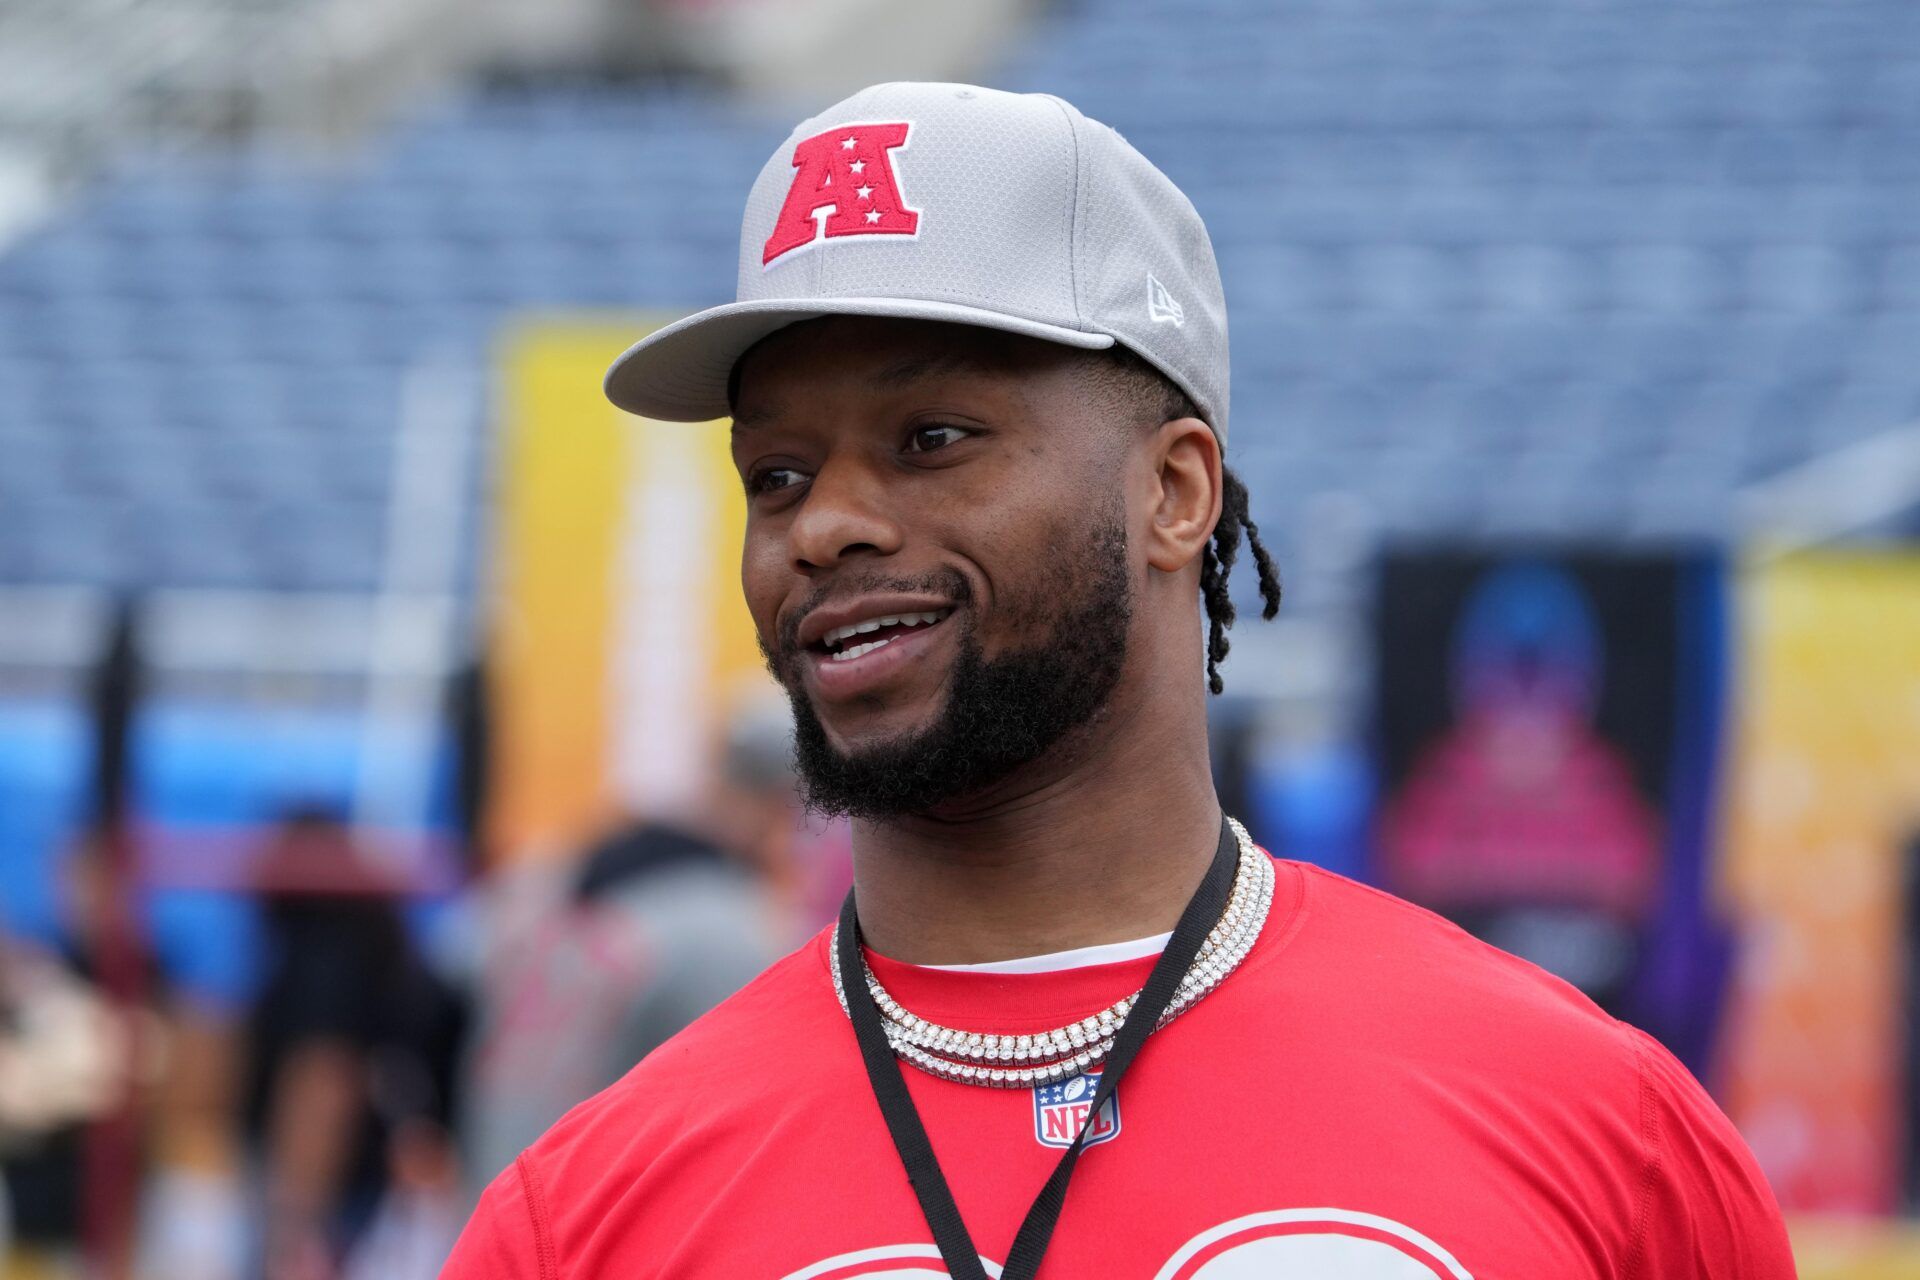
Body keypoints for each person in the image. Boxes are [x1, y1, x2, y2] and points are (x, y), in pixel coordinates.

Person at [442, 82, 1793, 1277]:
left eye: (931, 437)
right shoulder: (582, 1221)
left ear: (1174, 491)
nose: (822, 526)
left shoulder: (1601, 1132)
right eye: (774, 475)